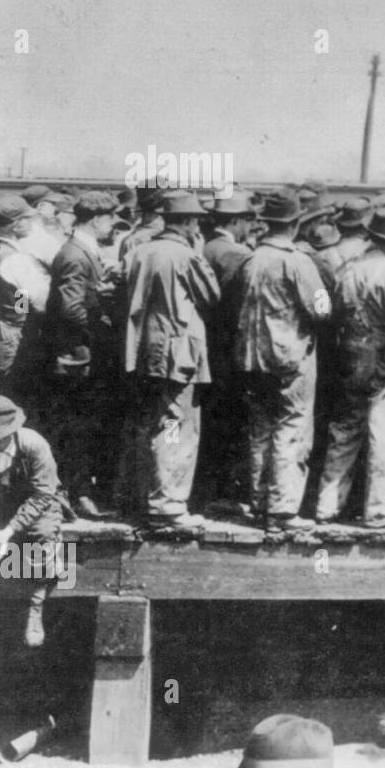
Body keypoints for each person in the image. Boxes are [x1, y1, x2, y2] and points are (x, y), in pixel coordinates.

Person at [311, 208, 385, 527]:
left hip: (352, 351)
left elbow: (335, 312)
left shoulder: (347, 269)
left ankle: (327, 503)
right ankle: (378, 507)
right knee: (382, 429)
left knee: (344, 428)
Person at [121, 192, 219, 530]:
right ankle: (167, 505)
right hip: (179, 353)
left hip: (143, 350)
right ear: (190, 222)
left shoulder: (138, 251)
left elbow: (115, 291)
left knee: (150, 422)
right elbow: (211, 296)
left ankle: (145, 496)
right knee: (175, 425)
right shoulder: (187, 256)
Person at [233, 194, 331, 534]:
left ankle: (259, 502)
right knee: (292, 429)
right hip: (290, 355)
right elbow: (321, 307)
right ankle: (282, 509)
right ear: (295, 224)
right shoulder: (297, 261)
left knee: (260, 430)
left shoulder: (251, 259)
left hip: (251, 355)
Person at [44, 190, 121, 517]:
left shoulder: (82, 250)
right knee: (78, 430)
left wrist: (98, 291)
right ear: (97, 219)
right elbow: (70, 309)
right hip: (77, 358)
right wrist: (101, 314)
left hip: (81, 356)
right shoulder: (76, 254)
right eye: (110, 219)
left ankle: (76, 494)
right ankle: (77, 496)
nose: (113, 226)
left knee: (80, 428)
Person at [0, 395, 62, 646]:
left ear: (9, 433)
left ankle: (36, 606)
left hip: (34, 505)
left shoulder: (34, 445)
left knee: (44, 535)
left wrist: (10, 529)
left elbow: (44, 494)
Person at [0, 195, 50, 406]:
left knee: (0, 387)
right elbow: (41, 302)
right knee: (14, 392)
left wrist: (20, 306)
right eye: (27, 219)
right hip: (14, 331)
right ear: (16, 225)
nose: (31, 223)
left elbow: (17, 295)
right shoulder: (15, 259)